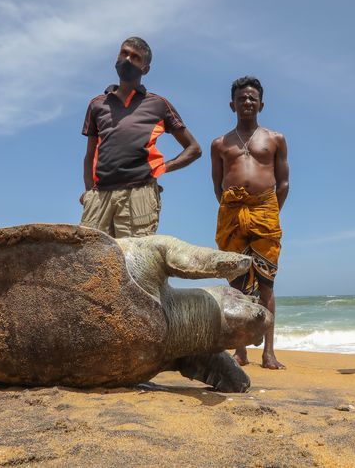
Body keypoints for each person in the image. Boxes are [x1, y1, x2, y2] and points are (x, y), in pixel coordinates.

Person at [80, 37, 201, 237]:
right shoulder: (97, 104)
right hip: (99, 196)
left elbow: (194, 149)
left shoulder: (158, 105)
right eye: (124, 53)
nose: (127, 59)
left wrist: (162, 168)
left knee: (133, 261)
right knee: (91, 260)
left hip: (139, 194)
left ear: (145, 69)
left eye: (135, 57)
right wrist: (88, 192)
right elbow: (89, 154)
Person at [210, 76, 290, 370]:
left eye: (252, 98)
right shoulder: (220, 143)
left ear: (261, 104)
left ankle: (269, 352)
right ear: (232, 104)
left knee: (266, 283)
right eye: (241, 98)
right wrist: (234, 209)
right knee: (236, 284)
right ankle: (241, 351)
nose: (247, 102)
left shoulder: (275, 139)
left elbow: (283, 183)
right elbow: (218, 186)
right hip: (231, 214)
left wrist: (268, 212)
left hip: (265, 212)